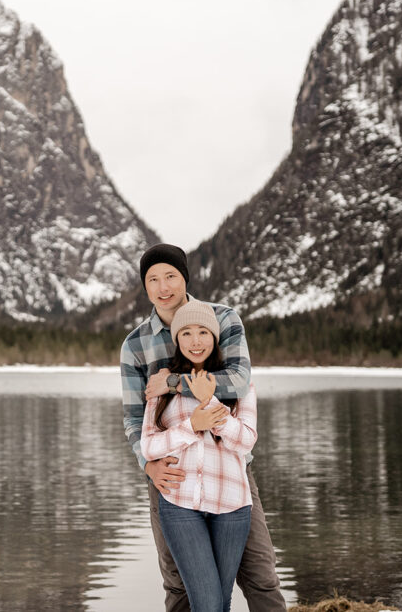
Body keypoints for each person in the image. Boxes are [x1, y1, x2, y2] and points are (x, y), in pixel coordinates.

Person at [121, 243, 286, 612]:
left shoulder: (223, 319)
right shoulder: (134, 345)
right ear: (145, 286)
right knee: (178, 582)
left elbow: (239, 381)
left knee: (260, 574)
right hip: (171, 474)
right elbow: (135, 417)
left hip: (230, 471)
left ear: (185, 278)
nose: (164, 287)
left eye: (171, 277)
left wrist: (172, 382)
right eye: (153, 279)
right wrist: (147, 464)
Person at [141, 299, 257, 612]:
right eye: (187, 333)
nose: (196, 341)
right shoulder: (161, 382)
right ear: (176, 339)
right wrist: (192, 426)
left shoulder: (237, 384)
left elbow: (246, 441)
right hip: (180, 505)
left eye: (204, 332)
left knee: (221, 602)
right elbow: (149, 446)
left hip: (232, 505)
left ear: (215, 337)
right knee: (206, 603)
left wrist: (212, 405)